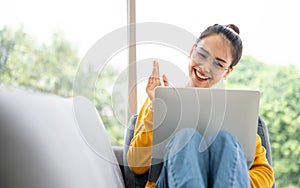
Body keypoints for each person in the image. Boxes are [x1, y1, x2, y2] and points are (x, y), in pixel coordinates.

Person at [127, 24, 275, 187]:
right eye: (202, 55)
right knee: (186, 137)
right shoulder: (159, 99)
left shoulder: (235, 111)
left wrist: (226, 173)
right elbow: (136, 165)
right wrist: (158, 111)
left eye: (218, 64)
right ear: (192, 51)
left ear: (227, 72)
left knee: (224, 140)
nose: (205, 67)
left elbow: (265, 175)